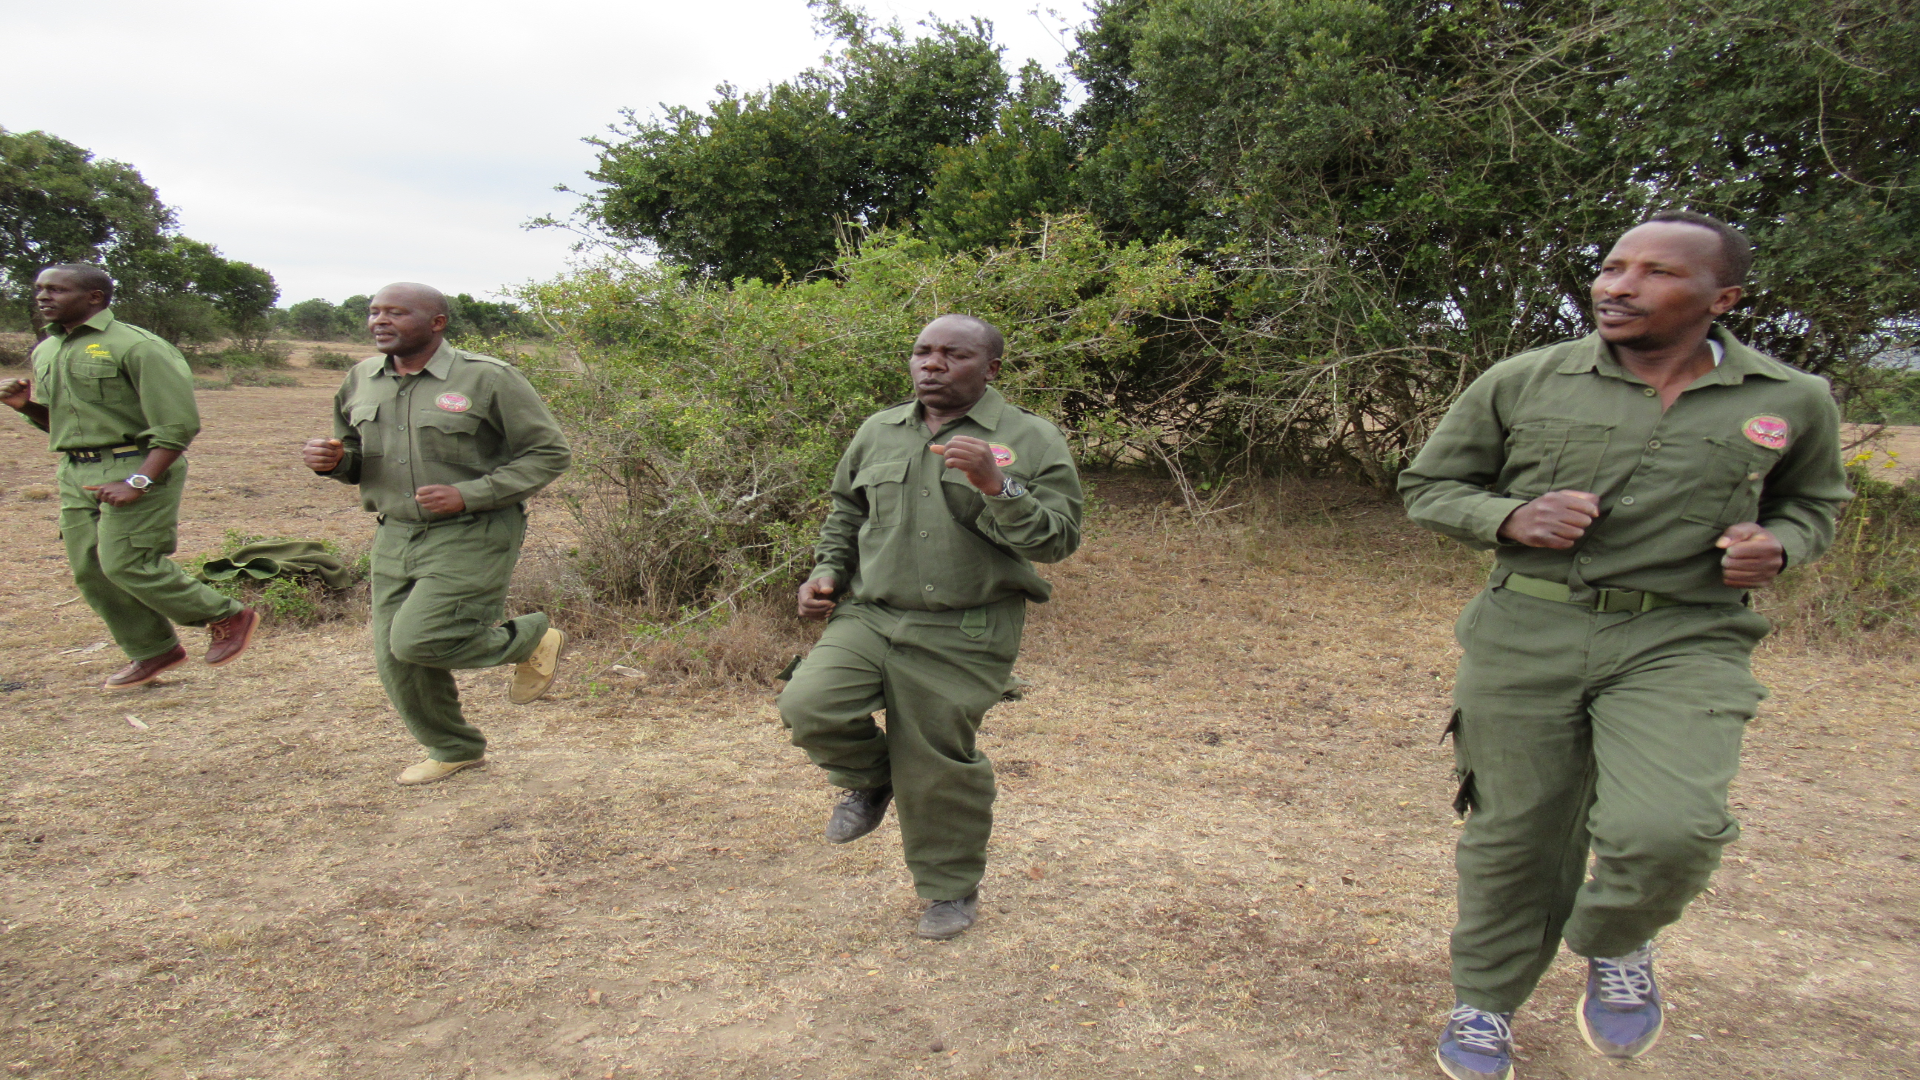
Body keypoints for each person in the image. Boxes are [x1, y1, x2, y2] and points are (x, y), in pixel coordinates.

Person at [1399, 210, 1851, 1079]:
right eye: (1612, 267)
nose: (1618, 286)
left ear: (1722, 298)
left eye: (1654, 273)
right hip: (1529, 629)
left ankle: (1616, 937)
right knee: (1514, 835)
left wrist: (1781, 546)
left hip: (1685, 635)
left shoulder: (1791, 400)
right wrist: (1510, 517)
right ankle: (1485, 1004)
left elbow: (1813, 504)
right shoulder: (1526, 379)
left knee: (1670, 829)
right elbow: (1430, 485)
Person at [778, 314, 1083, 939]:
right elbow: (846, 511)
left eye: (953, 354)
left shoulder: (1029, 438)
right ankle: (873, 778)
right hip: (872, 611)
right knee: (810, 705)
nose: (932, 364)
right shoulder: (879, 430)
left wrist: (998, 487)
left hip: (966, 625)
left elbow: (1058, 541)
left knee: (937, 758)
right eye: (922, 351)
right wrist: (825, 572)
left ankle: (949, 892)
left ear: (991, 367)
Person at [302, 283, 571, 786]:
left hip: (475, 529)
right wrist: (336, 463)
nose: (379, 321)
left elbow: (549, 454)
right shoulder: (361, 378)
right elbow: (357, 454)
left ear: (437, 323)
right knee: (394, 657)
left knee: (419, 639)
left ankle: (530, 637)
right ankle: (453, 747)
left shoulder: (488, 378)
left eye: (396, 313)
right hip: (395, 533)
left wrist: (470, 494)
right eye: (374, 312)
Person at [3, 264, 258, 689]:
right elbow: (62, 423)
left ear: (95, 298)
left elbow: (177, 426)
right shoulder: (47, 349)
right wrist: (25, 406)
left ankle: (225, 614)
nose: (43, 297)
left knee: (127, 562)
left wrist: (139, 481)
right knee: (90, 569)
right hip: (75, 468)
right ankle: (152, 650)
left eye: (56, 290)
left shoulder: (138, 346)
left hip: (137, 464)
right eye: (40, 289)